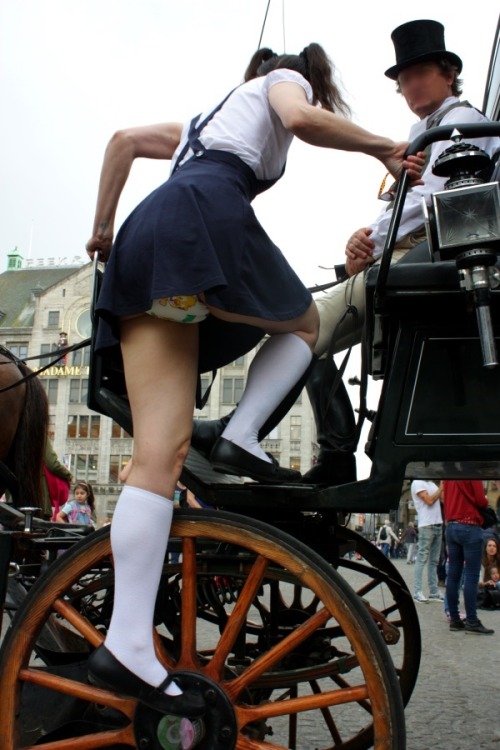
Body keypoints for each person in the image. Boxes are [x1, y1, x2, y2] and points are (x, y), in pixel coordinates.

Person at [84, 43, 423, 717]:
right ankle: (242, 434)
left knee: (160, 456)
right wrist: (384, 147)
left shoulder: (204, 119)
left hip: (148, 240)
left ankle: (124, 644)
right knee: (301, 325)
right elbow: (300, 119)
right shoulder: (283, 82)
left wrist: (100, 233)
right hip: (201, 221)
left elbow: (121, 141)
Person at [191, 19, 500, 486]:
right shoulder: (428, 131)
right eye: (404, 79)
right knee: (313, 336)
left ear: (449, 73)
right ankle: (309, 449)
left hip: (432, 258)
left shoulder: (459, 126)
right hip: (408, 256)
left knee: (304, 322)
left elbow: (431, 203)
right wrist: (365, 239)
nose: (410, 85)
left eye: (419, 73)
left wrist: (372, 239)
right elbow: (408, 203)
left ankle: (243, 431)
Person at [442, 479, 494, 635]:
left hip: (451, 527)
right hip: (470, 526)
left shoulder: (448, 474)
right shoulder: (471, 472)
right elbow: (480, 501)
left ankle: (455, 619)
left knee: (453, 575)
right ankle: (472, 620)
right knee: (471, 575)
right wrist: (485, 499)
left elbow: (445, 499)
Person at [411, 479, 444, 603]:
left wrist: (444, 488)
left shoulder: (432, 484)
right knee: (422, 558)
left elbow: (443, 500)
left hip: (438, 524)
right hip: (426, 525)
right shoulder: (417, 483)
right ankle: (417, 591)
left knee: (434, 560)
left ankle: (434, 591)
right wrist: (441, 488)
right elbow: (429, 501)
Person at [41, 438, 73, 520]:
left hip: (12, 504)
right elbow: (52, 464)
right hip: (38, 501)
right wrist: (68, 475)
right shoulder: (39, 435)